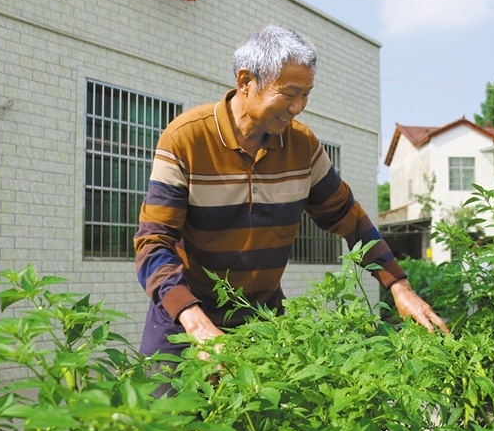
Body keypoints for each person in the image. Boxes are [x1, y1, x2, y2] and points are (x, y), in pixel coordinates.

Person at [134, 25, 449, 361]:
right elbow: (153, 243)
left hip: (263, 322)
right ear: (245, 82)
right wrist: (196, 324)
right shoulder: (186, 138)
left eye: (306, 94)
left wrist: (399, 287)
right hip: (184, 318)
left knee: (262, 414)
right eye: (289, 93)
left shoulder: (302, 146)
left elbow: (349, 219)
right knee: (165, 412)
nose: (298, 106)